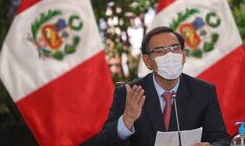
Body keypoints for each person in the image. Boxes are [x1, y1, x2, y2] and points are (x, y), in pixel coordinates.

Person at [95, 26, 231, 146]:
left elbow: (221, 139)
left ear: (183, 56)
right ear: (147, 61)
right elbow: (103, 143)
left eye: (175, 48)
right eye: (160, 50)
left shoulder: (203, 91)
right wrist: (126, 121)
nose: (169, 55)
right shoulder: (129, 93)